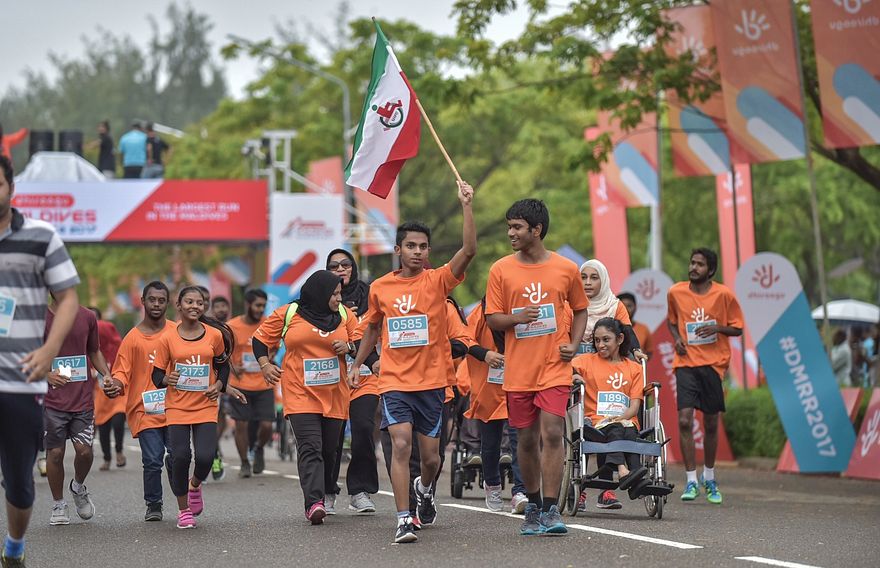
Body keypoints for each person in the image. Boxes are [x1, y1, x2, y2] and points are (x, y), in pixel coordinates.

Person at [348, 181, 476, 544]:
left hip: (432, 382)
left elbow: (469, 250)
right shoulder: (380, 288)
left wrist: (466, 205)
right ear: (398, 250)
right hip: (394, 381)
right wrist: (357, 364)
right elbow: (373, 328)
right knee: (401, 444)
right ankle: (404, 518)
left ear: (428, 251)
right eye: (410, 246)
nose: (417, 252)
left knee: (431, 459)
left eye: (422, 247)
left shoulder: (437, 281)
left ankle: (424, 488)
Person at [484, 198, 588, 536]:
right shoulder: (501, 269)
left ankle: (551, 509)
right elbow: (492, 318)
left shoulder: (566, 268)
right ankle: (532, 504)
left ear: (537, 230)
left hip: (554, 367)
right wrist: (517, 318)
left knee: (553, 432)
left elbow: (581, 309)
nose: (510, 233)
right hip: (519, 371)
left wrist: (574, 343)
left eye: (517, 227)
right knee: (526, 440)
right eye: (509, 227)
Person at [0, 154, 80, 566]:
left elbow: (67, 298)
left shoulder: (41, 236)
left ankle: (14, 546)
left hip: (20, 379)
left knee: (18, 482)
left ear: (11, 189)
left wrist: (50, 350)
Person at [253, 270, 357, 525]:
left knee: (329, 450)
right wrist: (265, 365)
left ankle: (325, 491)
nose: (338, 299)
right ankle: (314, 503)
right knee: (310, 446)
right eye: (334, 294)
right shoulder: (289, 313)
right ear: (319, 293)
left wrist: (350, 347)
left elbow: (362, 341)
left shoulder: (345, 315)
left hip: (334, 394)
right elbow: (260, 339)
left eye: (340, 294)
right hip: (300, 392)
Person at [151, 286, 246, 529]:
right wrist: (167, 379)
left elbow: (222, 366)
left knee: (205, 457)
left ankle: (194, 485)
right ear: (179, 306)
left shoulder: (214, 335)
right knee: (181, 457)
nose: (195, 306)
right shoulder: (167, 338)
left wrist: (219, 385)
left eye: (200, 303)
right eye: (190, 302)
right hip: (177, 407)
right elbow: (157, 375)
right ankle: (184, 510)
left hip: (205, 405)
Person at [667, 247, 743, 505]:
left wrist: (717, 328)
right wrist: (677, 339)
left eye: (699, 264)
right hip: (685, 363)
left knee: (711, 423)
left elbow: (738, 329)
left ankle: (709, 477)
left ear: (710, 270)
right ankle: (690, 480)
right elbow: (672, 321)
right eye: (692, 263)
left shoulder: (724, 294)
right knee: (685, 420)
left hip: (713, 364)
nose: (693, 268)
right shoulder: (676, 292)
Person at [108, 281, 177, 521]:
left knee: (178, 455)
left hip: (176, 406)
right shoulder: (132, 338)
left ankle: (180, 487)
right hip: (144, 409)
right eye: (152, 300)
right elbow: (121, 372)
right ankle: (154, 504)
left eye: (161, 300)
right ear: (143, 302)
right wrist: (115, 385)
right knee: (152, 459)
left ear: (167, 303)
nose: (156, 304)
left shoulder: (177, 331)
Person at [44, 303, 113, 526]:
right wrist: (46, 375)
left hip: (82, 399)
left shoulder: (87, 316)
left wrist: (106, 375)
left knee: (84, 452)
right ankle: (58, 504)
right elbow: (28, 355)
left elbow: (94, 351)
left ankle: (78, 487)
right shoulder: (38, 317)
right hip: (51, 400)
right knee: (55, 453)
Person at [460, 297, 528, 513]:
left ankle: (520, 490)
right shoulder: (482, 311)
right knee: (490, 443)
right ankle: (492, 485)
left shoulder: (520, 306)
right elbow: (464, 338)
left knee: (519, 439)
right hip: (488, 388)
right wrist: (485, 354)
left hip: (518, 383)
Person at [572, 317, 648, 507]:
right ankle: (625, 470)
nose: (600, 345)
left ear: (620, 339)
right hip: (596, 422)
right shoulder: (586, 361)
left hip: (627, 419)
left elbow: (635, 406)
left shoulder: (634, 369)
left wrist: (622, 417)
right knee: (616, 428)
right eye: (597, 340)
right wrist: (573, 375)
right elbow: (563, 366)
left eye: (606, 339)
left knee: (627, 429)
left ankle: (634, 473)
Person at [325, 249, 379, 515]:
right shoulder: (320, 297)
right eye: (334, 266)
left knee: (364, 428)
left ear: (353, 267)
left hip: (365, 376)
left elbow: (378, 327)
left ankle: (360, 491)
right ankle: (326, 491)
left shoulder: (371, 295)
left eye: (345, 264)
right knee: (331, 438)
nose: (340, 269)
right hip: (331, 379)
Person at [227, 289, 274, 478]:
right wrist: (232, 367)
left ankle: (259, 448)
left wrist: (269, 357)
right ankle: (244, 462)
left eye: (263, 306)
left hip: (264, 383)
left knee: (267, 425)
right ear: (247, 305)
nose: (260, 309)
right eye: (257, 305)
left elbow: (275, 346)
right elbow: (222, 352)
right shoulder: (232, 326)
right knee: (241, 425)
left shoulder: (268, 324)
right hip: (240, 384)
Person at [579, 260, 643, 360]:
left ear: (604, 280)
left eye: (594, 278)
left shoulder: (615, 305)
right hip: (575, 361)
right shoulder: (570, 305)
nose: (588, 283)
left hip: (608, 361)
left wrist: (636, 350)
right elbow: (563, 337)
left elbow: (627, 331)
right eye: (583, 277)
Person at [88, 307, 126, 471]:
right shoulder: (87, 349)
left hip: (117, 392)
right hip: (99, 393)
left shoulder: (115, 345)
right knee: (103, 426)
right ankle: (107, 458)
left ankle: (119, 451)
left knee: (118, 421)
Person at [618, 292, 653, 360]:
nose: (626, 309)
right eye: (622, 306)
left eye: (629, 306)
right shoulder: (609, 329)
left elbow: (649, 351)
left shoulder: (644, 328)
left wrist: (641, 361)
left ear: (635, 307)